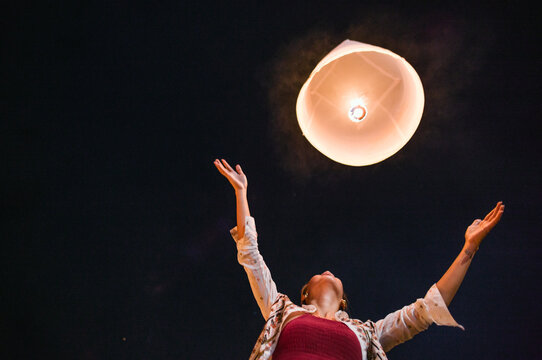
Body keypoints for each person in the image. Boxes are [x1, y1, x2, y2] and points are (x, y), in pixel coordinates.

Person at [214, 158, 505, 360]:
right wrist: (242, 193)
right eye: (319, 274)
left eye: (332, 275)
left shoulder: (368, 333)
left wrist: (469, 249)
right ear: (305, 294)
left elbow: (426, 310)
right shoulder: (282, 312)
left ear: (343, 302)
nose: (327, 271)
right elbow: (250, 254)